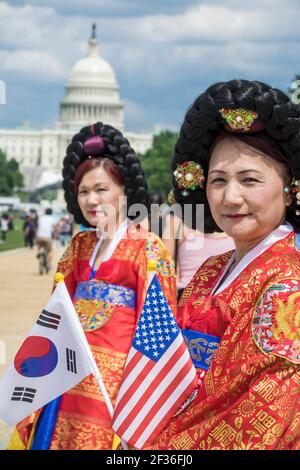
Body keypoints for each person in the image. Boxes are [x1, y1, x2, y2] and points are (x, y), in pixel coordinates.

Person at [148, 79, 300, 450]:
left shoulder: (290, 283)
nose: (231, 197)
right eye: (218, 180)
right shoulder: (210, 271)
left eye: (249, 179)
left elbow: (264, 412)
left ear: (289, 187)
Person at [9, 122, 176, 450]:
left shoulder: (148, 248)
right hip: (68, 380)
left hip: (115, 389)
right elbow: (56, 315)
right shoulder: (80, 246)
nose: (92, 200)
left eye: (101, 189)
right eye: (83, 191)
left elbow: (159, 332)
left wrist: (140, 395)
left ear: (123, 190)